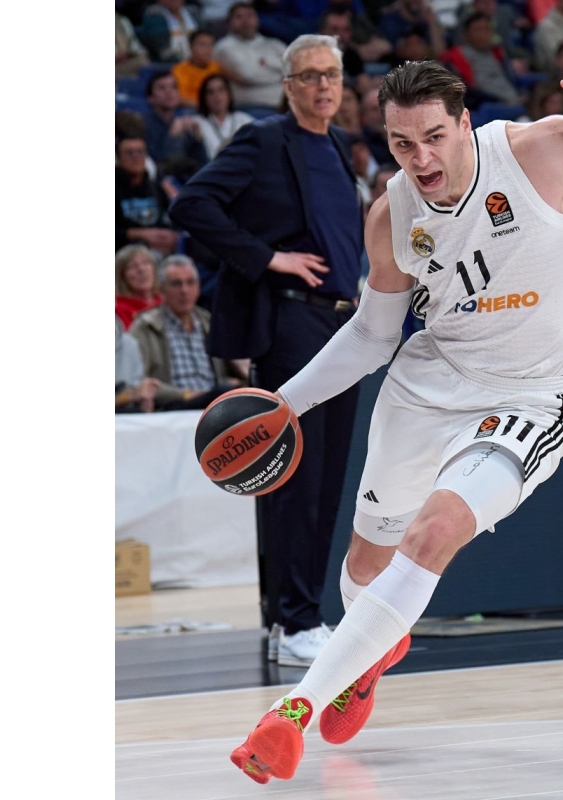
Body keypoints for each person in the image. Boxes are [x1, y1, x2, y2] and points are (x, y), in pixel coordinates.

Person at [226, 55, 563, 785]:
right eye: (402, 143)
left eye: (434, 137)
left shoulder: (540, 152)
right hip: (424, 390)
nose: (421, 159)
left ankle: (291, 714)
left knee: (433, 534)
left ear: (465, 123)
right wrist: (286, 403)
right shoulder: (392, 214)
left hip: (526, 401)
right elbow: (373, 335)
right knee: (365, 570)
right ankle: (374, 649)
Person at [168, 34, 365, 667]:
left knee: (329, 480)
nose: (323, 85)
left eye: (331, 74)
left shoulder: (339, 144)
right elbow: (190, 203)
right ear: (287, 86)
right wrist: (266, 258)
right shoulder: (263, 140)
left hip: (343, 325)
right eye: (309, 75)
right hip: (291, 322)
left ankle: (299, 615)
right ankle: (294, 621)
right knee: (296, 478)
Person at [129, 255, 249, 410]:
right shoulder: (145, 326)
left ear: (198, 287)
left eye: (190, 282)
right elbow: (137, 383)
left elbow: (231, 372)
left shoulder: (210, 323)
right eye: (176, 284)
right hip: (172, 406)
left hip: (213, 403)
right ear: (161, 290)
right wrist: (187, 395)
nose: (184, 290)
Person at [440, 12, 527, 108]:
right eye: (478, 30)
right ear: (466, 34)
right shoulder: (458, 55)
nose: (483, 34)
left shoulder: (497, 52)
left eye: (486, 29)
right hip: (488, 104)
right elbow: (469, 90)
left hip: (514, 99)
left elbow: (511, 80)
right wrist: (502, 102)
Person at [213, 1, 288, 112]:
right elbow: (248, 75)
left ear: (257, 19)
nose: (246, 21)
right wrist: (280, 74)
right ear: (229, 22)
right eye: (239, 17)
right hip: (252, 107)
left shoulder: (274, 44)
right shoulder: (224, 47)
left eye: (250, 16)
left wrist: (267, 63)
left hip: (286, 105)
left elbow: (293, 68)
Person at [115, 134, 181, 255]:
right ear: (118, 158)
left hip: (159, 252)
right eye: (129, 153)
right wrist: (140, 234)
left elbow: (171, 220)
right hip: (123, 254)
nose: (135, 157)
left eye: (140, 152)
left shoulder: (156, 187)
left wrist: (171, 235)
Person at [143, 70, 209, 177]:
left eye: (173, 87)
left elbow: (203, 165)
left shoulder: (185, 123)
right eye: (162, 88)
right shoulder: (144, 125)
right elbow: (159, 167)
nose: (169, 92)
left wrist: (198, 139)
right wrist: (173, 137)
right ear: (150, 99)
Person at [195, 73, 255, 158]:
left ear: (229, 94)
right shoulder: (197, 122)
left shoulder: (243, 119)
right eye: (211, 92)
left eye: (221, 90)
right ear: (204, 98)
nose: (217, 96)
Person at [116, 314, 160, 413]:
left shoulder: (129, 343)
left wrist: (145, 400)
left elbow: (137, 388)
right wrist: (126, 397)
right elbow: (131, 395)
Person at [115, 244, 164, 329]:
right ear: (122, 276)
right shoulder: (117, 310)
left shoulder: (167, 301)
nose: (141, 269)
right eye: (132, 266)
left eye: (146, 263)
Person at [171, 29, 222, 108]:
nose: (208, 49)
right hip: (190, 110)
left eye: (210, 45)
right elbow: (177, 98)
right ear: (191, 47)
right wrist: (205, 107)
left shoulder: (217, 68)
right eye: (202, 45)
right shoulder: (179, 70)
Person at [116, 11, 151, 77]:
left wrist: (126, 53)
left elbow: (136, 49)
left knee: (142, 62)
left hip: (127, 60)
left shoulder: (122, 20)